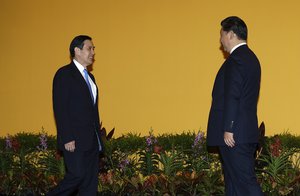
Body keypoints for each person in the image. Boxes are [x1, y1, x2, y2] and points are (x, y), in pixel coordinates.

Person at [206, 16, 263, 195]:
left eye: (222, 35)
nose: (221, 40)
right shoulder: (250, 58)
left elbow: (233, 95)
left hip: (234, 136)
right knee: (234, 186)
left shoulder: (237, 59)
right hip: (243, 134)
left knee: (245, 183)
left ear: (231, 34)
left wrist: (228, 128)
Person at [47, 35, 102, 196]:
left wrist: (98, 138)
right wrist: (67, 136)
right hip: (74, 140)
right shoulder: (64, 74)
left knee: (90, 183)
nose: (93, 52)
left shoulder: (90, 77)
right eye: (89, 48)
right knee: (76, 175)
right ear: (77, 51)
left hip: (92, 140)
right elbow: (60, 107)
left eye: (93, 49)